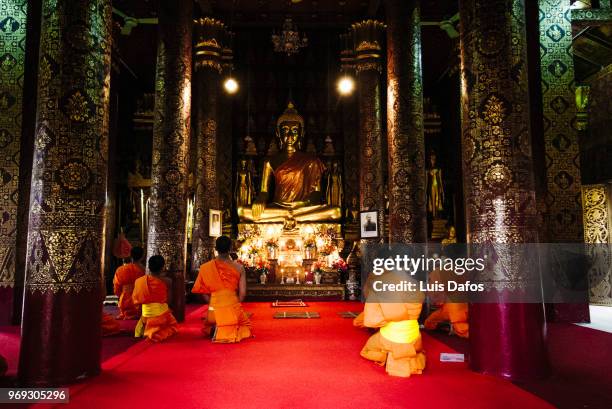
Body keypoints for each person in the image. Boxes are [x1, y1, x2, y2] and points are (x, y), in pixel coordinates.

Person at [359, 272, 426, 378]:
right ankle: (411, 358)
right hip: (414, 337)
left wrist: (386, 319)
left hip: (390, 337)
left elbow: (371, 321)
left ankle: (386, 356)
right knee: (419, 349)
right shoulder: (414, 284)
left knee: (366, 350)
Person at [192, 236, 252, 343]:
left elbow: (202, 292)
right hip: (232, 310)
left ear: (215, 248)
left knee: (210, 323)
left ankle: (217, 327)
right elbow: (242, 294)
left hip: (213, 312)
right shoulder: (239, 268)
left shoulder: (205, 267)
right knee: (245, 326)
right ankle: (226, 328)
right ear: (230, 248)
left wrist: (213, 303)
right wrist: (235, 307)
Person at [132, 255, 178, 342]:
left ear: (148, 266)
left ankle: (147, 328)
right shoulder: (167, 281)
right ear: (163, 267)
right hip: (161, 315)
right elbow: (169, 300)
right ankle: (154, 331)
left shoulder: (139, 281)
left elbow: (136, 300)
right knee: (172, 327)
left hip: (145, 315)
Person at [113, 246, 146, 319]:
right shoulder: (145, 271)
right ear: (143, 256)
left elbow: (116, 290)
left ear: (130, 255)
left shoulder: (121, 269)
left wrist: (123, 295)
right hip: (140, 305)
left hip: (124, 303)